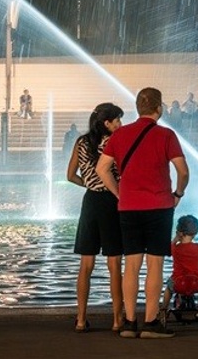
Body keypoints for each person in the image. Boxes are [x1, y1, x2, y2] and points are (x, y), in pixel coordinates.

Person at [96, 87, 188, 339]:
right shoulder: (166, 135)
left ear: (138, 108)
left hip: (129, 207)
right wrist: (178, 195)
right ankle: (150, 323)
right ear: (159, 108)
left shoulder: (120, 135)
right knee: (155, 264)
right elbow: (183, 171)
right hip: (159, 206)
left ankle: (128, 323)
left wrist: (119, 193)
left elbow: (101, 169)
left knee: (132, 265)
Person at [67, 102, 125, 334]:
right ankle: (117, 320)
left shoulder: (81, 142)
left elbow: (70, 176)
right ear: (106, 123)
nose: (120, 124)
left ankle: (81, 320)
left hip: (90, 202)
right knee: (114, 264)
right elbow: (120, 173)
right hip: (112, 202)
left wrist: (90, 184)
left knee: (86, 265)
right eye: (117, 120)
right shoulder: (115, 142)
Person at [161, 214, 198, 311]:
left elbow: (167, 250)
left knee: (168, 289)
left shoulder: (175, 248)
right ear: (195, 233)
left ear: (179, 232)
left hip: (178, 283)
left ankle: (163, 308)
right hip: (195, 284)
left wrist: (175, 239)